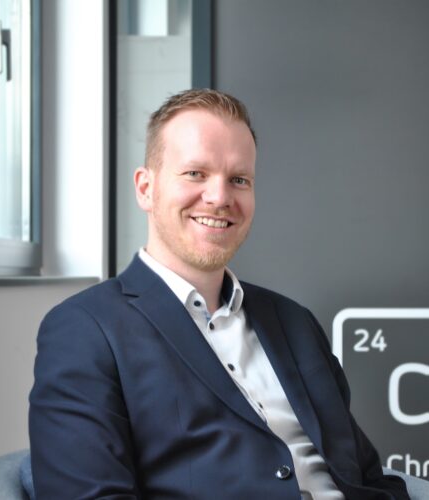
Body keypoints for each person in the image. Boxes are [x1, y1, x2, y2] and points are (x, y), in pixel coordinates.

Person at [29, 89, 409, 499]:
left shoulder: (295, 322)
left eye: (239, 180)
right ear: (145, 188)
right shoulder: (85, 330)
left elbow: (368, 476)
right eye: (196, 173)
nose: (220, 197)